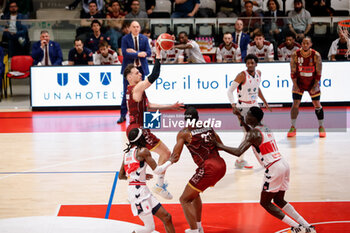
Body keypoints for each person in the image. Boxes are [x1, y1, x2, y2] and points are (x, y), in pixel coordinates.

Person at [213, 106, 316, 233]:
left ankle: (298, 228)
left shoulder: (253, 134)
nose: (246, 116)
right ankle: (307, 226)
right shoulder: (264, 127)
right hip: (283, 163)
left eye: (248, 115)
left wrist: (218, 145)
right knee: (279, 200)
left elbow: (238, 151)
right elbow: (250, 133)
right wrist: (240, 118)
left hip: (273, 168)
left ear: (254, 118)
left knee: (265, 203)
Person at [124, 43, 183, 199]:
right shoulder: (136, 88)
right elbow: (154, 75)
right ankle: (159, 185)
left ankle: (136, 188)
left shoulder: (137, 91)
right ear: (129, 77)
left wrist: (171, 106)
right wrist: (158, 54)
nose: (140, 74)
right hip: (138, 129)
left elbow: (150, 105)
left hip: (134, 129)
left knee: (139, 159)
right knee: (166, 153)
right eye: (137, 73)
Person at [170, 107, 226, 233]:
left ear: (185, 119)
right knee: (194, 194)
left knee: (184, 200)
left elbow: (175, 157)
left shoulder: (184, 133)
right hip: (221, 165)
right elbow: (220, 146)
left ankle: (194, 231)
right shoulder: (208, 127)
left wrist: (162, 167)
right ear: (198, 117)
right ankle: (199, 227)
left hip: (209, 168)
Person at [118, 127, 177, 233]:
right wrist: (170, 161)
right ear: (140, 138)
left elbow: (121, 176)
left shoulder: (126, 154)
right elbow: (158, 171)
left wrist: (139, 176)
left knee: (167, 217)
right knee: (149, 228)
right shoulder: (143, 151)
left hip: (141, 190)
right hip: (138, 194)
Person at [227, 53, 270, 169]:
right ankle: (256, 159)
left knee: (256, 133)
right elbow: (229, 91)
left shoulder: (259, 73)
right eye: (248, 63)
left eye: (252, 63)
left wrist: (265, 102)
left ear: (256, 64)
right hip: (243, 107)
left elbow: (257, 88)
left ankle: (242, 160)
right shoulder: (242, 75)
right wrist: (233, 105)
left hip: (255, 105)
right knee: (248, 134)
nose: (250, 65)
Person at [288, 37, 325, 138]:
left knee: (317, 104)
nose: (305, 45)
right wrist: (295, 85)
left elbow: (318, 73)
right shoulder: (295, 54)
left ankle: (321, 127)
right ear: (301, 44)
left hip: (312, 83)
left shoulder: (316, 55)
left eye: (307, 43)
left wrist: (314, 86)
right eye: (303, 43)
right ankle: (293, 127)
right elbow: (293, 72)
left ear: (311, 44)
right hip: (299, 83)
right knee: (295, 104)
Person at [118, 20, 151, 124]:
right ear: (130, 28)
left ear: (140, 28)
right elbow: (125, 53)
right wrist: (138, 54)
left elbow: (149, 52)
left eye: (138, 27)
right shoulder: (125, 38)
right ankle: (123, 115)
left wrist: (135, 53)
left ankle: (143, 115)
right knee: (126, 92)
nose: (136, 28)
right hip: (129, 70)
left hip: (141, 69)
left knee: (142, 91)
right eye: (134, 27)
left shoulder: (144, 39)